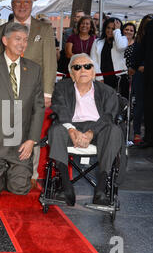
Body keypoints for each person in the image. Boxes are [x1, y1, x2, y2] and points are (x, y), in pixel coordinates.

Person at [0, 0, 57, 189]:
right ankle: (4, 170)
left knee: (31, 130)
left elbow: (50, 62)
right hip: (5, 89)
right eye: (18, 2)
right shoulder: (2, 30)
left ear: (31, 5)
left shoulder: (43, 29)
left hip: (33, 91)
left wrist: (47, 92)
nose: (21, 6)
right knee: (4, 129)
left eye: (26, 2)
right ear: (12, 5)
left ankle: (32, 173)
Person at [0, 22, 45, 196]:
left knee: (20, 189)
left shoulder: (35, 70)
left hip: (20, 144)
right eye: (17, 39)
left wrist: (31, 141)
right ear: (5, 40)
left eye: (25, 40)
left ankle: (11, 172)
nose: (22, 43)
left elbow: (38, 107)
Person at [48, 53, 123, 206]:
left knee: (114, 130)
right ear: (71, 74)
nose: (83, 70)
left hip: (99, 129)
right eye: (77, 67)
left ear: (93, 72)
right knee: (55, 130)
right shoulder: (61, 87)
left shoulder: (107, 91)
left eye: (87, 66)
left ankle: (101, 189)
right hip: (71, 126)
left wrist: (91, 133)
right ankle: (66, 186)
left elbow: (108, 116)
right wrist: (71, 130)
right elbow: (60, 109)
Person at [90, 17, 129, 99]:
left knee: (119, 105)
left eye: (113, 28)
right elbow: (93, 60)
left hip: (119, 78)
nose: (110, 31)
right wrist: (99, 78)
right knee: (103, 104)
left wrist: (117, 31)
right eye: (108, 28)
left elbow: (121, 47)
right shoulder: (97, 42)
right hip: (103, 77)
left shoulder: (123, 39)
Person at [135, 14, 153, 148]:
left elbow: (142, 49)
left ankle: (149, 137)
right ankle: (149, 137)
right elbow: (143, 49)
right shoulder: (150, 26)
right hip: (149, 74)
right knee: (147, 106)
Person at [121, 22, 140, 144]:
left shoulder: (137, 45)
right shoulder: (119, 42)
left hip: (133, 78)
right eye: (126, 29)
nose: (128, 32)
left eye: (131, 30)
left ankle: (128, 134)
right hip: (120, 78)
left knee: (131, 107)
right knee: (121, 105)